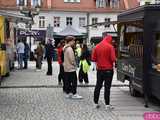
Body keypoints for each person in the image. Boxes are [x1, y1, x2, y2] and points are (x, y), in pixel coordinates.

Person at [92, 35, 116, 111]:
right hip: (108, 70)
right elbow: (113, 59)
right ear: (110, 40)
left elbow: (93, 59)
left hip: (99, 70)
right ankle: (107, 105)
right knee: (107, 87)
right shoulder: (110, 47)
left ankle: (95, 103)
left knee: (98, 86)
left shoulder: (97, 46)